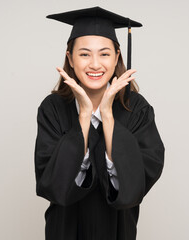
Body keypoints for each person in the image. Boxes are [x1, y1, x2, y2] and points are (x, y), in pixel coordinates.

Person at [34, 6, 165, 240]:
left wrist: (107, 115)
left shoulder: (137, 109)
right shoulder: (52, 108)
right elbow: (53, 185)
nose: (95, 64)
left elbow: (135, 185)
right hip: (64, 232)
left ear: (116, 58)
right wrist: (84, 116)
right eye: (84, 54)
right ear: (70, 59)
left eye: (104, 54)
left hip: (119, 232)